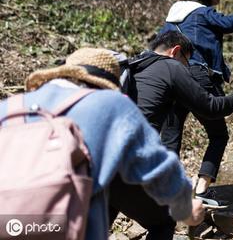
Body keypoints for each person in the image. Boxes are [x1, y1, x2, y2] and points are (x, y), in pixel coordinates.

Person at [0, 48, 204, 240]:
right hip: (69, 229)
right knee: (161, 219)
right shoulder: (111, 105)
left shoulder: (9, 108)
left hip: (10, 223)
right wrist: (186, 209)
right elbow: (161, 171)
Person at [158, 0, 233, 206]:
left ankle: (168, 192)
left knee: (171, 136)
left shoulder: (167, 23)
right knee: (218, 134)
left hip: (168, 78)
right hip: (198, 76)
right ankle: (202, 189)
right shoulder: (203, 13)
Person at [127, 31, 233, 133]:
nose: (187, 68)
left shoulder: (135, 63)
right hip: (139, 145)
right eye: (186, 62)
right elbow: (211, 108)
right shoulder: (172, 67)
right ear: (175, 51)